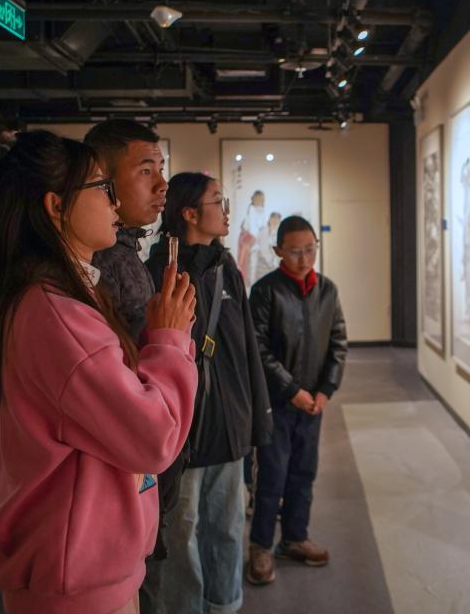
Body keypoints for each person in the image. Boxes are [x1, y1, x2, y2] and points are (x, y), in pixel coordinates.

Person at [0, 128, 198, 614]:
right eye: (103, 188)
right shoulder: (58, 316)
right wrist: (170, 339)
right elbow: (153, 437)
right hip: (76, 579)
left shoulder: (55, 299)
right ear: (57, 206)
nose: (114, 203)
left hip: (81, 566)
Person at [143, 173, 272, 614]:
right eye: (218, 201)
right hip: (185, 433)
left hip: (229, 426)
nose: (227, 210)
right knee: (181, 533)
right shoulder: (161, 273)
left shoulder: (225, 269)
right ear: (190, 213)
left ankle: (225, 604)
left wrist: (257, 419)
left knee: (228, 526)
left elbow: (248, 348)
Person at [246, 216, 347, 586]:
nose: (304, 258)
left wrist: (325, 390)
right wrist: (293, 391)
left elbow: (338, 342)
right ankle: (260, 546)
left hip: (313, 404)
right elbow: (258, 350)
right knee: (272, 476)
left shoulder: (328, 290)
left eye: (310, 249)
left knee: (304, 473)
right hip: (278, 403)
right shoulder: (265, 291)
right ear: (278, 251)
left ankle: (294, 538)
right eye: (294, 251)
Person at [84, 119, 168, 341]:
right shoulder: (96, 258)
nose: (163, 185)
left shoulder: (122, 248)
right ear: (102, 178)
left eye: (160, 169)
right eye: (146, 171)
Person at [236, 191, 266, 282]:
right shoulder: (252, 209)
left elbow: (262, 225)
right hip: (250, 237)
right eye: (257, 199)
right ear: (253, 199)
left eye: (260, 199)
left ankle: (252, 281)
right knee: (245, 260)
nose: (259, 201)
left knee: (253, 262)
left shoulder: (262, 210)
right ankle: (245, 278)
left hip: (255, 238)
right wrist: (255, 239)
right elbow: (252, 226)